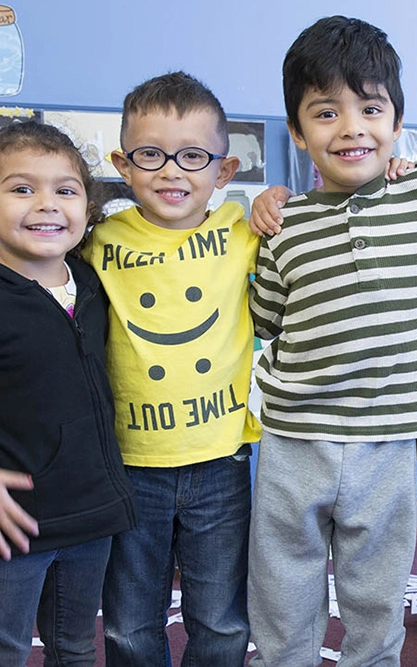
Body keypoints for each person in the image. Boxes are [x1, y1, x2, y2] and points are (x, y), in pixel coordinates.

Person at [246, 16, 417, 667]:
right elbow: (266, 318)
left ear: (396, 120)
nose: (351, 128)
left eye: (371, 109)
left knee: (376, 587)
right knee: (283, 579)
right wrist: (266, 208)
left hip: (385, 435)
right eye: (325, 113)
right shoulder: (284, 224)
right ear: (297, 130)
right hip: (296, 432)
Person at [79, 71, 261, 665]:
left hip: (221, 461)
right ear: (123, 164)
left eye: (192, 155)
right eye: (150, 154)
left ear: (223, 171)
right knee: (130, 623)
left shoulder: (243, 230)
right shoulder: (95, 238)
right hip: (130, 463)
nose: (171, 171)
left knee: (223, 620)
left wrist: (276, 199)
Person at [0, 121, 136, 665]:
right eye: (21, 188)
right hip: (16, 523)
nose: (47, 204)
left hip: (91, 512)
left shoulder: (95, 282)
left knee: (76, 645)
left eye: (65, 189)